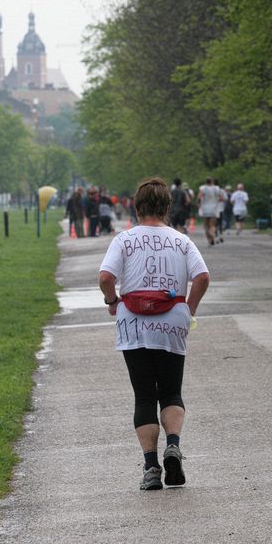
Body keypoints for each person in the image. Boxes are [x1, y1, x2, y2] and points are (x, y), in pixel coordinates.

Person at [98, 177, 210, 491]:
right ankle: (173, 444)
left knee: (144, 394)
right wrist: (189, 309)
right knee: (171, 391)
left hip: (132, 321)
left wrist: (113, 302)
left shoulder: (124, 240)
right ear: (166, 207)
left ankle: (150, 468)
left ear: (137, 206)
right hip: (171, 319)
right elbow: (202, 276)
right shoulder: (181, 240)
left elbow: (106, 276)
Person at [198, 177, 222, 246]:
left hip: (205, 209)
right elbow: (220, 197)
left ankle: (209, 240)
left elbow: (199, 197)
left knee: (206, 225)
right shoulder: (216, 188)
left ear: (206, 182)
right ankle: (212, 235)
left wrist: (199, 203)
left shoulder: (203, 188)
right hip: (214, 209)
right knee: (212, 224)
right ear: (211, 182)